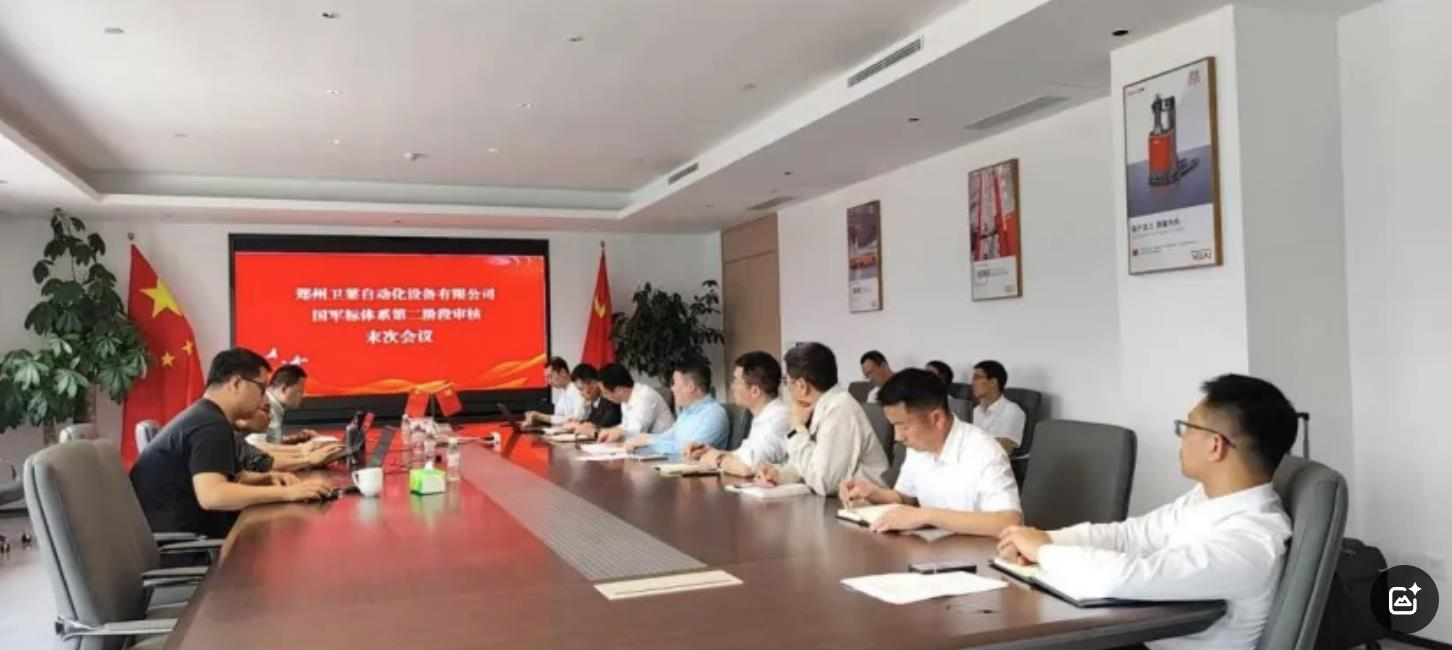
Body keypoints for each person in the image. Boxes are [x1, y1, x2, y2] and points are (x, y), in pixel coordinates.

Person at [997, 374, 1298, 650]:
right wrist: (1047, 538)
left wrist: (1044, 551)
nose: (1182, 436)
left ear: (1215, 446)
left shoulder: (1252, 543)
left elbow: (1127, 577)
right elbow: (1129, 536)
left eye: (1188, 427)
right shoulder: (1206, 499)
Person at [130, 348, 334, 538]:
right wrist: (287, 493)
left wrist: (267, 478)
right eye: (261, 388)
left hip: (190, 536)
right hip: (188, 547)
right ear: (236, 383)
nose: (263, 399)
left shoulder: (205, 416)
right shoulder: (209, 425)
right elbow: (213, 495)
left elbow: (228, 478)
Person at [838, 369, 1021, 536]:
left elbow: (1009, 521)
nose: (898, 437)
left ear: (937, 418)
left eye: (903, 426)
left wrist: (926, 515)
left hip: (976, 555)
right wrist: (872, 493)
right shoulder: (917, 449)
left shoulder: (985, 452)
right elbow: (906, 499)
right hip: (932, 550)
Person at [754, 343, 889, 495]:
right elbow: (811, 464)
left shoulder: (840, 409)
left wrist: (797, 428)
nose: (787, 388)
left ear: (802, 385)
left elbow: (824, 482)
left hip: (867, 504)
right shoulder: (820, 407)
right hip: (838, 501)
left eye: (787, 381)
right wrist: (780, 474)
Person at [683, 351, 791, 476]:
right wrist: (708, 452)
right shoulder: (764, 415)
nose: (732, 387)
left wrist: (718, 459)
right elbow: (743, 456)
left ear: (755, 391)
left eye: (736, 381)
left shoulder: (779, 419)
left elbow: (748, 467)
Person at [623, 359, 728, 455]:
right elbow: (669, 437)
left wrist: (649, 441)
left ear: (690, 386)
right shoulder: (687, 412)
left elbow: (689, 450)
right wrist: (641, 440)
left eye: (675, 384)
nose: (672, 389)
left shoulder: (714, 414)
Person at [235, 402, 345, 473]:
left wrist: (304, 452)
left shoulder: (238, 440)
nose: (270, 416)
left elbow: (259, 457)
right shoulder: (230, 436)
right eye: (265, 411)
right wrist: (306, 457)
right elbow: (260, 454)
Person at [591, 363, 675, 442]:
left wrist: (614, 431)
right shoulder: (626, 399)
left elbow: (638, 431)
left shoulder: (644, 397)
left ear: (619, 390)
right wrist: (607, 431)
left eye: (605, 393)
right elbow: (626, 427)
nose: (604, 397)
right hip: (647, 448)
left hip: (665, 449)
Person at [971, 360, 1026, 454]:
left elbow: (1004, 449)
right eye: (972, 378)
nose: (972, 382)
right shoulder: (975, 411)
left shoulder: (1012, 410)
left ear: (993, 382)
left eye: (977, 377)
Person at [524, 357, 586, 426]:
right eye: (547, 378)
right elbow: (557, 417)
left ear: (563, 372)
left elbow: (577, 418)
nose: (549, 382)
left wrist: (541, 417)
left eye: (550, 377)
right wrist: (538, 419)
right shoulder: (564, 391)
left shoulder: (578, 390)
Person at [265, 364, 317, 444]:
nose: (303, 395)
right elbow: (257, 447)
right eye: (300, 390)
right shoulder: (265, 407)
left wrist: (297, 438)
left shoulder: (275, 406)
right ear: (284, 389)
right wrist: (306, 449)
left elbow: (271, 441)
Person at [561, 363, 622, 431]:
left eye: (581, 389)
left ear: (593, 383)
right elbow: (591, 422)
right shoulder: (595, 401)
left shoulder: (610, 399)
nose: (581, 393)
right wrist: (578, 422)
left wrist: (577, 425)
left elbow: (603, 426)